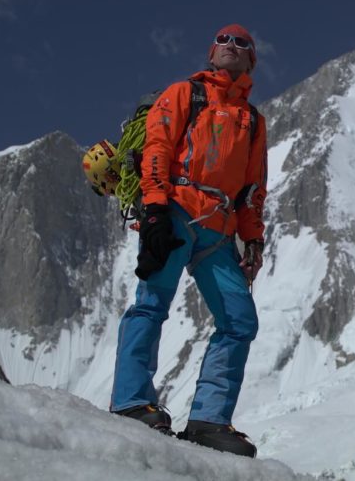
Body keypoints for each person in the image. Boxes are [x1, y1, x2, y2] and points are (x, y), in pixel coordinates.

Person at [110, 24, 267, 458]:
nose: (232, 46)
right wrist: (156, 208)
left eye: (242, 43)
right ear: (211, 51)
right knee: (151, 302)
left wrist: (253, 242)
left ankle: (208, 420)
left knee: (240, 320)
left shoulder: (254, 121)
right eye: (224, 40)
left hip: (219, 227)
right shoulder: (184, 93)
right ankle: (130, 402)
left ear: (252, 59)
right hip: (176, 210)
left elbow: (253, 189)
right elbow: (158, 145)